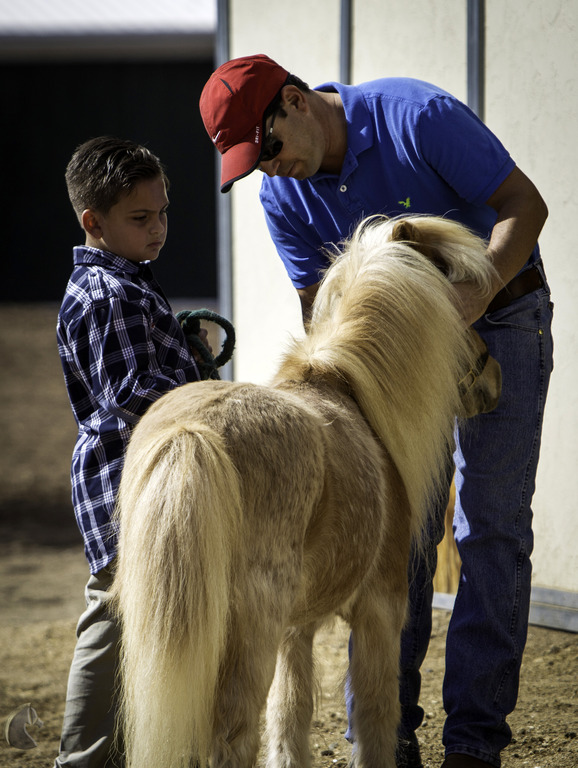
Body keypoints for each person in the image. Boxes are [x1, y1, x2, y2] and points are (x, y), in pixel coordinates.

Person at [199, 54, 554, 768]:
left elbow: (527, 205)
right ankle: (385, 737)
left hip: (498, 313)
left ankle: (473, 742)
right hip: (394, 359)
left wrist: (471, 300)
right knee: (398, 525)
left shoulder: (417, 118)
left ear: (295, 100)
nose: (269, 169)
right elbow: (321, 316)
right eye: (252, 165)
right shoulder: (282, 196)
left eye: (268, 147)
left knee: (489, 525)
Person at [55, 136, 206, 767]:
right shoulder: (110, 294)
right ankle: (85, 757)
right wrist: (216, 401)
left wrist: (188, 353)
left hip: (146, 481)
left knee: (154, 621)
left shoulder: (128, 284)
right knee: (116, 618)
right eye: (141, 218)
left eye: (163, 213)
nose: (159, 229)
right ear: (94, 221)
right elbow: (136, 395)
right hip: (128, 486)